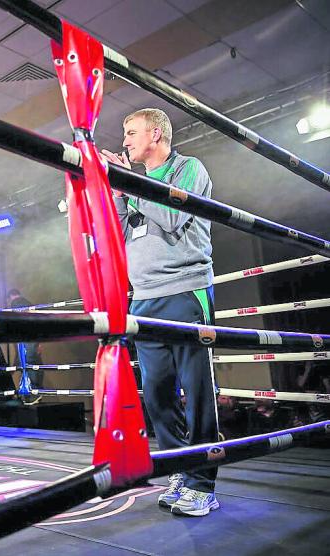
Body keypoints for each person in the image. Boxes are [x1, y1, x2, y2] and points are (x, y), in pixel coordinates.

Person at [102, 108, 219, 517]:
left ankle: (203, 484)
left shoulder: (187, 168)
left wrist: (129, 186)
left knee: (197, 388)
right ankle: (177, 468)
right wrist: (117, 193)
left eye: (131, 132)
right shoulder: (134, 185)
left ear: (155, 133)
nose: (126, 141)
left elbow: (171, 216)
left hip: (185, 290)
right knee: (156, 392)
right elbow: (118, 233)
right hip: (145, 297)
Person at [7, 288, 43, 388]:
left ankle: (32, 392)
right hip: (34, 339)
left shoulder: (15, 303)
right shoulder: (29, 303)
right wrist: (39, 342)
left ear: (11, 297)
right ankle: (36, 391)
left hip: (25, 340)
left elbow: (16, 323)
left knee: (28, 364)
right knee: (35, 364)